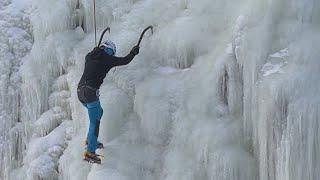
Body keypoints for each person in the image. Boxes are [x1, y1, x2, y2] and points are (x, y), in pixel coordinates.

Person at [77, 40, 139, 164]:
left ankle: (91, 141)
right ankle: (90, 153)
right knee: (95, 122)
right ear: (107, 49)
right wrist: (133, 52)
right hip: (91, 92)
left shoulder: (89, 56)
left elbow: (95, 56)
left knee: (98, 112)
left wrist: (97, 50)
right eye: (111, 51)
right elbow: (125, 60)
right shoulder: (107, 59)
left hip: (80, 92)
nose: (111, 54)